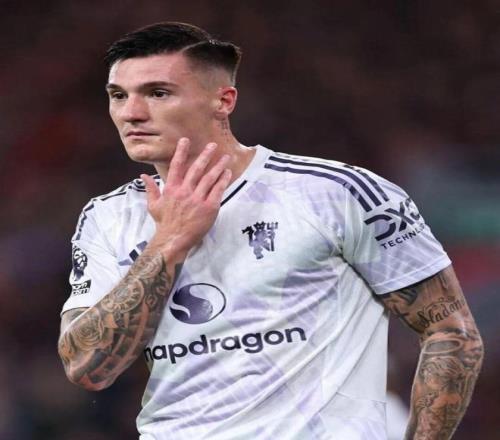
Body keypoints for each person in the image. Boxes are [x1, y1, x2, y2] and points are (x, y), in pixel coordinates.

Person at [58, 22, 483, 440]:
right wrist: (169, 243)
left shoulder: (339, 194)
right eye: (118, 95)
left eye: (158, 93)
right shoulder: (106, 216)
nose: (131, 112)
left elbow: (451, 333)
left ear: (223, 100)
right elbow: (86, 367)